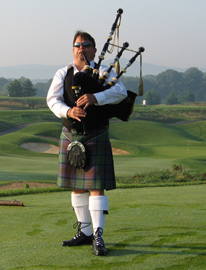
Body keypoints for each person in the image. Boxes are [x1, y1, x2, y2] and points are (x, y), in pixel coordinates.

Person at [47, 31, 127, 256]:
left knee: (95, 187)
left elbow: (120, 92)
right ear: (72, 50)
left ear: (94, 49)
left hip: (96, 134)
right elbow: (52, 100)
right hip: (71, 135)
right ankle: (84, 232)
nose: (81, 49)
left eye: (86, 45)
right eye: (77, 45)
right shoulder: (63, 73)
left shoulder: (103, 72)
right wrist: (68, 110)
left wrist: (96, 98)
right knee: (77, 186)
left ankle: (98, 236)